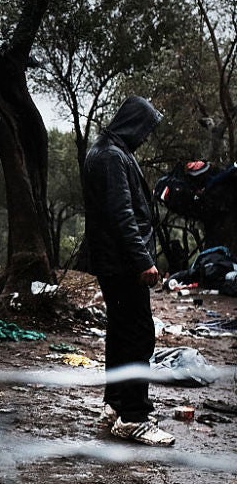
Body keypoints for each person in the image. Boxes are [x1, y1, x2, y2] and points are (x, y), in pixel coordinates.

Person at [82, 96, 175, 447]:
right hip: (122, 264)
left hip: (114, 261)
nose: (145, 137)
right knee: (137, 336)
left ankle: (117, 404)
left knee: (121, 334)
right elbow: (122, 216)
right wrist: (144, 261)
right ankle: (134, 417)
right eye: (145, 129)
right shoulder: (111, 157)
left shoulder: (106, 151)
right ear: (133, 123)